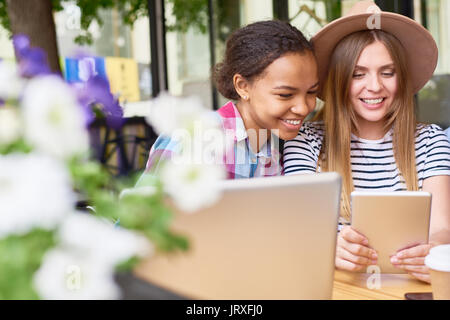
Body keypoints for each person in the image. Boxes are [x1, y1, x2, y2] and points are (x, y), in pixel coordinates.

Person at [283, 0, 450, 283]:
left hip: (408, 287)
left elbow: (442, 228)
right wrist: (329, 247)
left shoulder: (431, 140)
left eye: (387, 72)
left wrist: (435, 251)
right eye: (358, 74)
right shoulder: (306, 141)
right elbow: (301, 229)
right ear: (338, 79)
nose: (374, 86)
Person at [144, 20, 319, 179]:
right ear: (243, 86)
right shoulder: (192, 138)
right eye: (285, 95)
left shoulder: (279, 150)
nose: (303, 108)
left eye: (312, 92)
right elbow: (142, 212)